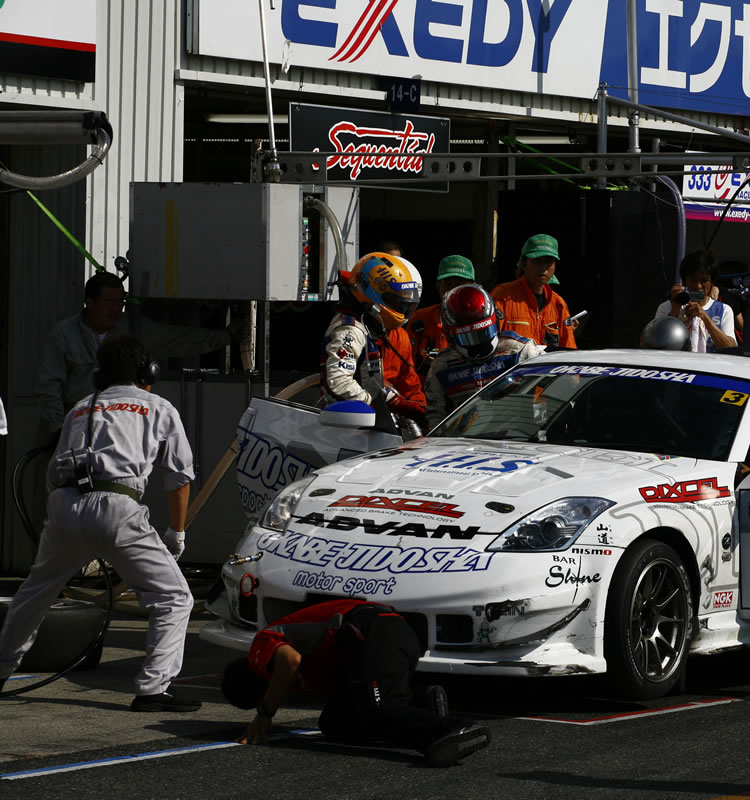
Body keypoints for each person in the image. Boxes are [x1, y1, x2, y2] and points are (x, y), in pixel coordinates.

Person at [0, 335, 200, 711]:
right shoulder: (158, 407)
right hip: (117, 508)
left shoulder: (81, 407)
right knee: (173, 597)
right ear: (149, 372)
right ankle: (153, 689)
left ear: (99, 375)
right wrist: (177, 533)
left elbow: (52, 473)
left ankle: (0, 669)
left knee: (34, 594)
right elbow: (179, 476)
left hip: (64, 504)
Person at [220, 598, 490, 767]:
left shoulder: (261, 648)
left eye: (264, 696)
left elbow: (289, 661)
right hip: (378, 642)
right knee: (335, 724)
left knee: (378, 707)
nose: (282, 697)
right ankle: (422, 702)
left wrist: (265, 714)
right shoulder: (308, 677)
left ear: (259, 682)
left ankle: (452, 730)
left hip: (372, 628)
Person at [36, 271, 240, 441]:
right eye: (109, 302)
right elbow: (50, 386)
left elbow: (179, 339)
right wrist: (58, 431)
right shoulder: (63, 336)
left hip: (116, 428)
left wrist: (226, 337)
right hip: (72, 427)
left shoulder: (131, 329)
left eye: (120, 302)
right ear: (90, 303)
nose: (117, 309)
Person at [321, 252, 427, 431]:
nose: (402, 309)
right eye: (396, 301)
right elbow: (338, 382)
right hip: (346, 428)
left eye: (406, 304)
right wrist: (383, 402)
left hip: (369, 427)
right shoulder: (350, 330)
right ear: (372, 293)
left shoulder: (371, 325)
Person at [424, 284, 540, 428]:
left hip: (519, 439)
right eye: (468, 337)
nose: (477, 343)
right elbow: (436, 416)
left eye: (482, 332)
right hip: (467, 444)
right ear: (449, 334)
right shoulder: (441, 366)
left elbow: (549, 400)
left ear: (495, 319)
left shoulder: (520, 351)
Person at [492, 234, 577, 349]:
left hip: (548, 367)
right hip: (513, 367)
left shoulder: (558, 304)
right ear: (523, 264)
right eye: (537, 261)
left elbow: (569, 350)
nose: (543, 268)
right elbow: (488, 345)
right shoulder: (501, 296)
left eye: (548, 262)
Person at [653, 248, 736, 352]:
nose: (698, 286)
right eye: (692, 280)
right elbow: (654, 344)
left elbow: (730, 348)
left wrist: (705, 318)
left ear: (712, 283)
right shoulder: (667, 307)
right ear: (684, 281)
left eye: (704, 280)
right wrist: (674, 313)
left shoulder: (723, 310)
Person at [408, 255, 477, 371]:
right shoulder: (420, 319)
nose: (453, 290)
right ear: (438, 285)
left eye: (459, 284)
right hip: (427, 387)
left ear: (473, 286)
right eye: (449, 284)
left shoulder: (483, 320)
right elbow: (406, 364)